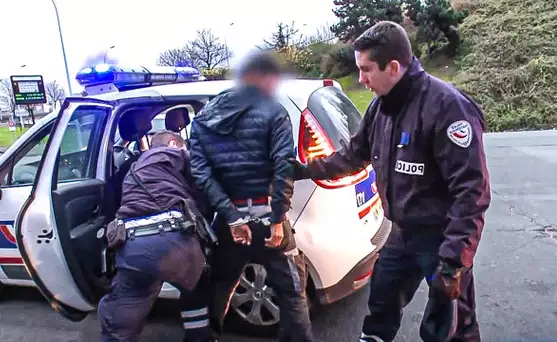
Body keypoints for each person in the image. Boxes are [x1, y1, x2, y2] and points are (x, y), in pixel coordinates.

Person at [290, 21, 491, 342]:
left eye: (366, 69)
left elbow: (472, 192)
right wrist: (303, 169)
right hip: (400, 233)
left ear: (393, 67)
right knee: (380, 308)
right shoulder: (380, 108)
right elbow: (353, 155)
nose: (360, 79)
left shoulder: (448, 107)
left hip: (441, 239)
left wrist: (454, 261)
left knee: (451, 328)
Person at [189, 50, 314, 342]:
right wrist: (278, 216)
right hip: (268, 217)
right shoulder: (273, 112)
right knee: (292, 291)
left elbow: (202, 175)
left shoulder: (202, 121)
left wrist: (232, 218)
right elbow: (283, 165)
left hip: (231, 223)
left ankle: (209, 337)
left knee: (221, 283)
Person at [99, 130, 216, 342]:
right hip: (177, 243)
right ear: (173, 143)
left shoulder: (131, 168)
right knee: (196, 286)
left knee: (121, 319)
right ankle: (198, 337)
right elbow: (204, 180)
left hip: (135, 248)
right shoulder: (173, 154)